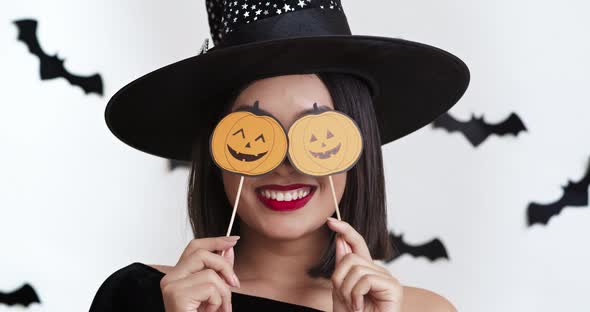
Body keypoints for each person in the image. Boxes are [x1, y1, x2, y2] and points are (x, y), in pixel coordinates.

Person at [90, 1, 469, 311]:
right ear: (217, 152)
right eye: (253, 136)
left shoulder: (421, 310)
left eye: (317, 136)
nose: (284, 164)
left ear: (357, 146)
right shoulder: (138, 298)